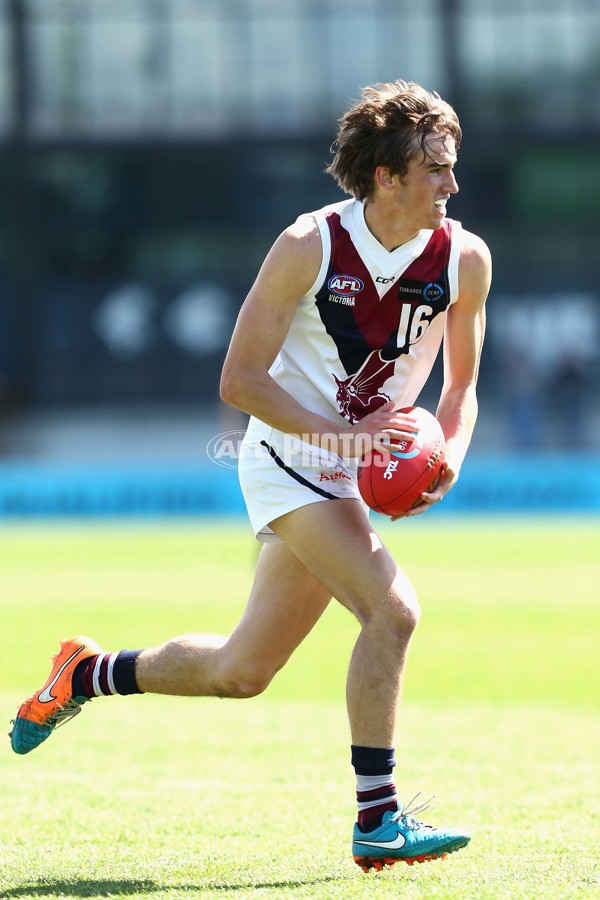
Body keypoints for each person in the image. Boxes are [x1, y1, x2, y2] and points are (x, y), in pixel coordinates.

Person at [10, 80, 491, 873]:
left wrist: (446, 457)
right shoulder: (309, 244)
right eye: (436, 168)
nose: (453, 184)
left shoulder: (464, 258)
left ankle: (85, 673)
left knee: (242, 672)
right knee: (394, 611)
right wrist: (348, 441)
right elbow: (239, 381)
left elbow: (464, 386)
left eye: (453, 166)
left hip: (356, 463)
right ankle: (378, 819)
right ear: (387, 177)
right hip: (288, 457)